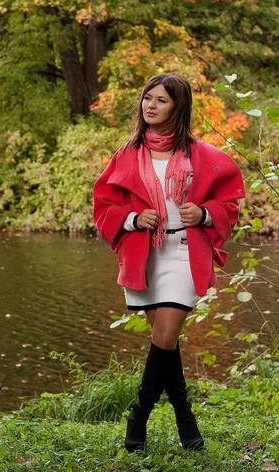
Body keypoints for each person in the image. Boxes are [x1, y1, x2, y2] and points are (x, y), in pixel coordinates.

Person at [92, 73, 245, 452]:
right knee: (167, 343)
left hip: (182, 253)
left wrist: (205, 214)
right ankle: (185, 419)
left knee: (163, 336)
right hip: (145, 256)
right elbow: (104, 207)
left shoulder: (203, 156)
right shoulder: (127, 154)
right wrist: (132, 219)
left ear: (178, 107)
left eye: (161, 100)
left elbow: (229, 205)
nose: (150, 105)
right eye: (147, 98)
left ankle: (138, 416)